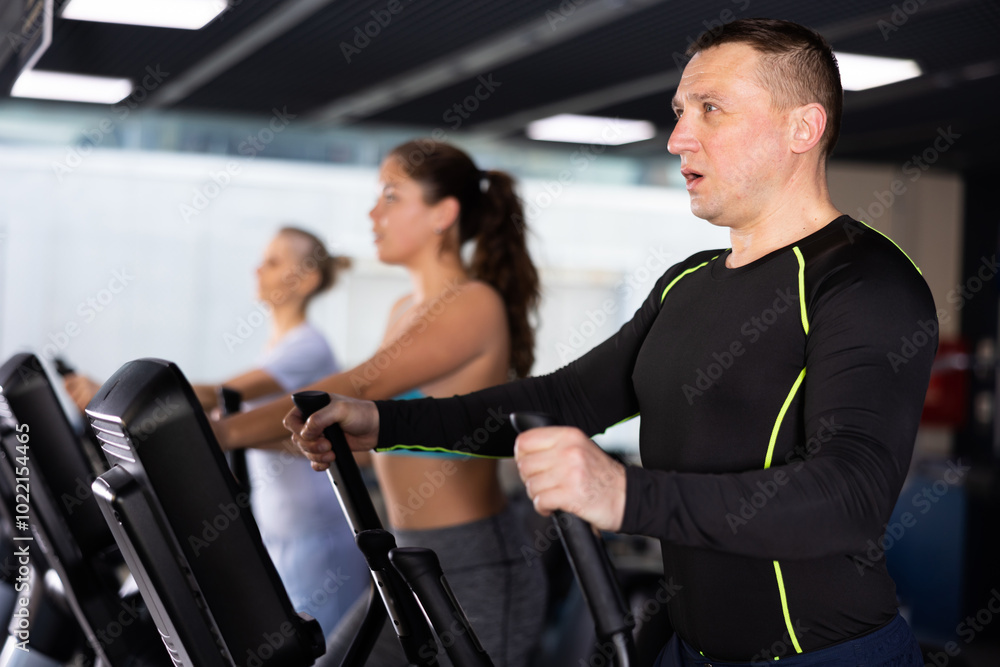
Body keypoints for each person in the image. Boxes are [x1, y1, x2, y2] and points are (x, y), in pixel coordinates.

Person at [287, 19, 938, 667]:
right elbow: (560, 398)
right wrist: (385, 420)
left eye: (711, 110)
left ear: (803, 128)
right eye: (680, 112)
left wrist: (623, 492)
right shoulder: (686, 283)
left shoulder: (863, 280)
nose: (680, 137)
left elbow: (851, 495)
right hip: (689, 645)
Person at [213, 140, 546, 667]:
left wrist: (219, 434)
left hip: (473, 568)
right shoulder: (402, 310)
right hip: (404, 560)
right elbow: (376, 444)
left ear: (444, 213)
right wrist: (285, 441)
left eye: (391, 195)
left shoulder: (473, 302)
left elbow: (360, 387)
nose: (373, 212)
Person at [64, 226, 369, 638]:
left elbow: (217, 396)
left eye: (274, 261)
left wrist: (115, 392)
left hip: (317, 540)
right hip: (283, 533)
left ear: (307, 280)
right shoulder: (280, 347)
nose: (257, 269)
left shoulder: (308, 346)